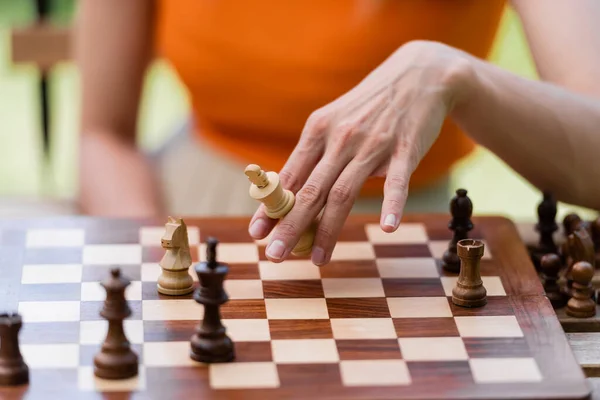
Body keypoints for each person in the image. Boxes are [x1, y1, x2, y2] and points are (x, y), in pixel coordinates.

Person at [75, 0, 600, 267]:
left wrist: (451, 74)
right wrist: (160, 263)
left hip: (402, 240)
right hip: (187, 212)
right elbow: (103, 136)